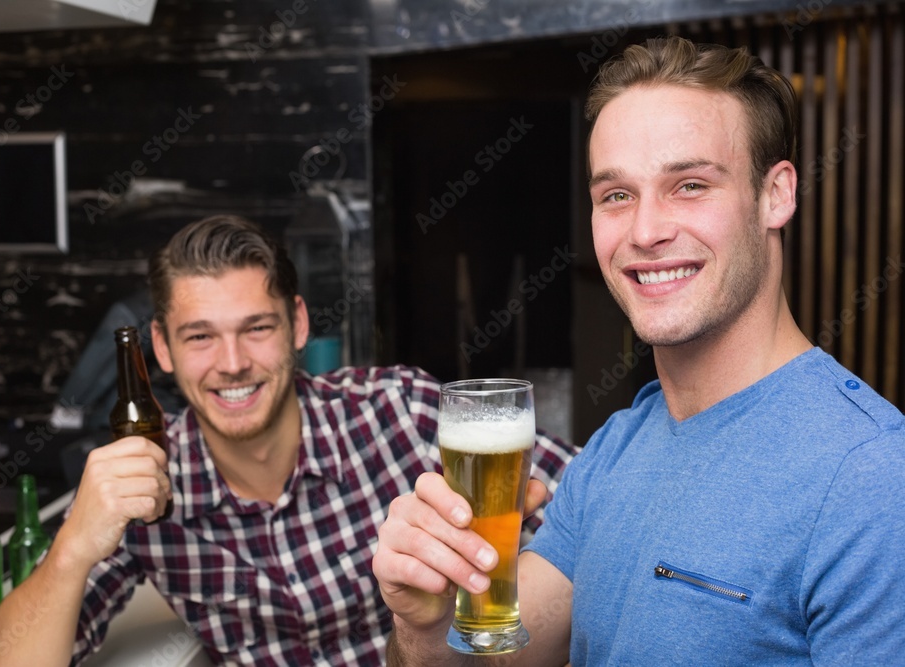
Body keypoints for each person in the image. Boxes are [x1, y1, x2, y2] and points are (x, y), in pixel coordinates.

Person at [372, 36, 905, 666]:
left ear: (776, 194)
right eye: (616, 195)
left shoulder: (871, 478)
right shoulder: (614, 450)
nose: (646, 231)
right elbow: (494, 660)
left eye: (690, 185)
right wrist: (423, 623)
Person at [0, 215, 576, 666]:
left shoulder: (398, 409)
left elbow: (591, 493)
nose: (233, 363)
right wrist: (72, 547)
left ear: (296, 324)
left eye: (257, 328)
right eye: (200, 338)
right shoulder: (150, 486)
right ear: (161, 348)